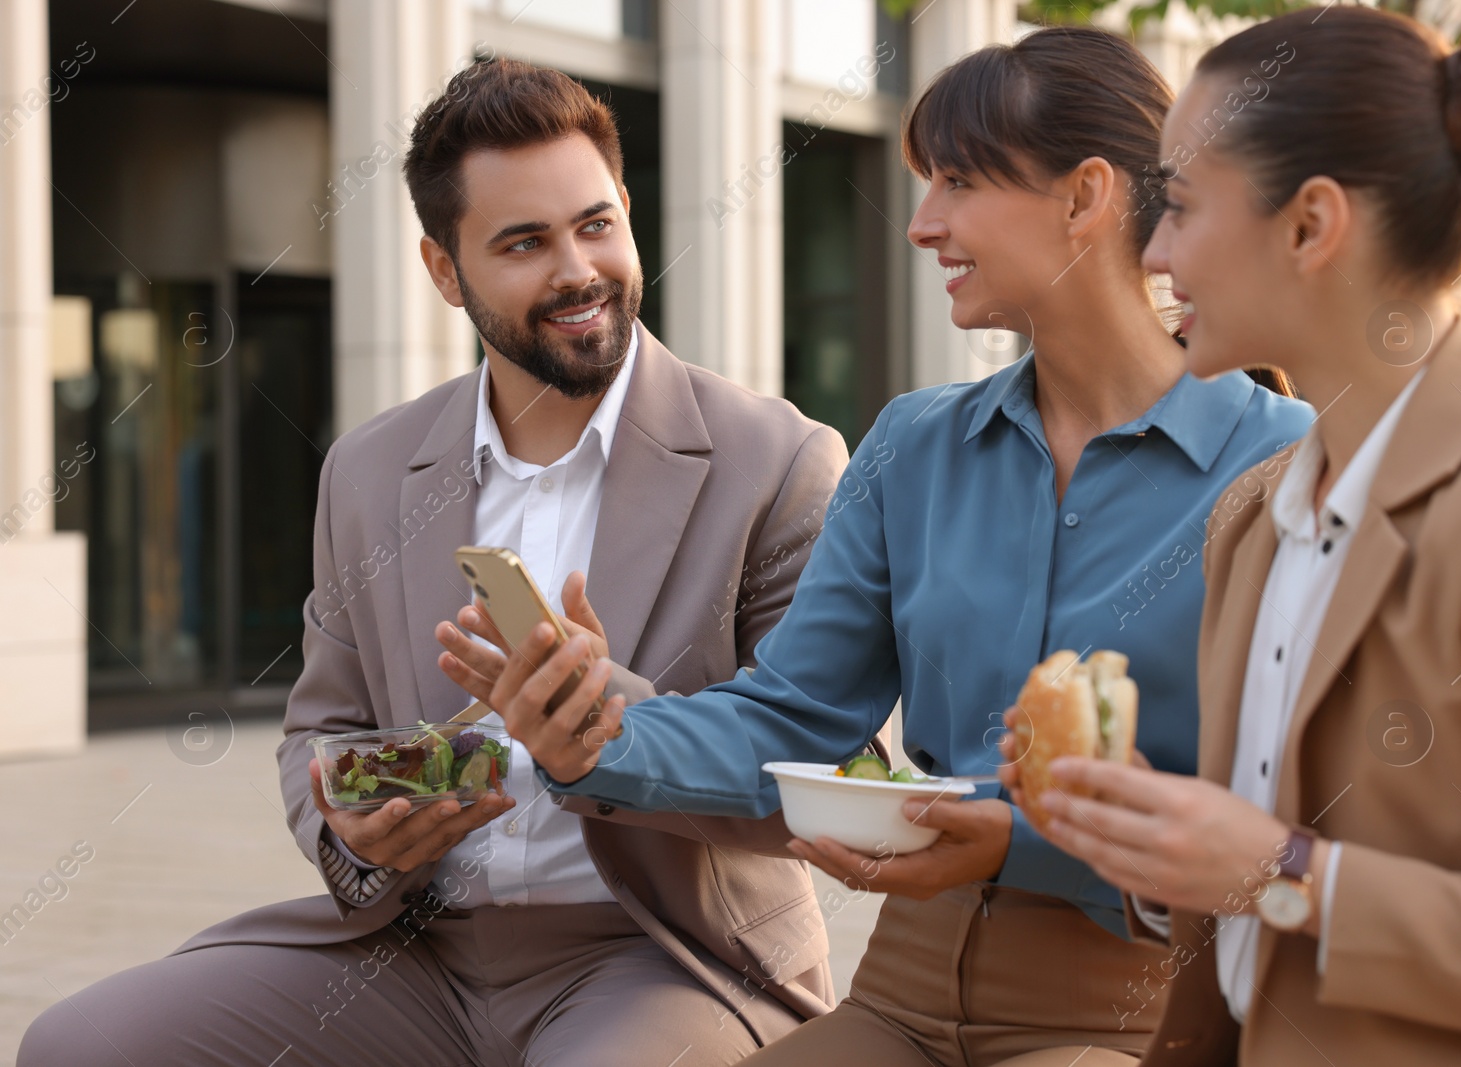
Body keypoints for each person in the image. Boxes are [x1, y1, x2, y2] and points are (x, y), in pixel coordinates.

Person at [455, 27, 1311, 1066]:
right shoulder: (915, 443)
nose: (921, 225)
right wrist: (599, 738)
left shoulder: (1279, 467)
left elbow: (1300, 819)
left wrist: (1029, 843)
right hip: (898, 996)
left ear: (1085, 198)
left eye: (956, 181)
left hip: (1129, 1013)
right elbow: (795, 716)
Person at [19, 59, 850, 1066]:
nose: (578, 269)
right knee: (81, 1043)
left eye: (595, 223)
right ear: (445, 270)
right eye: (523, 243)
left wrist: (611, 725)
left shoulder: (780, 459)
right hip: (412, 949)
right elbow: (319, 728)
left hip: (665, 951)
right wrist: (354, 827)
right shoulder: (370, 469)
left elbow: (825, 771)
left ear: (628, 210)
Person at [1003, 7, 1461, 1065]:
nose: (1151, 251)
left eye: (1179, 206)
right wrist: (1149, 833)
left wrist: (1289, 874)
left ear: (1311, 224)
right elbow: (1252, 907)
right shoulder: (1256, 515)